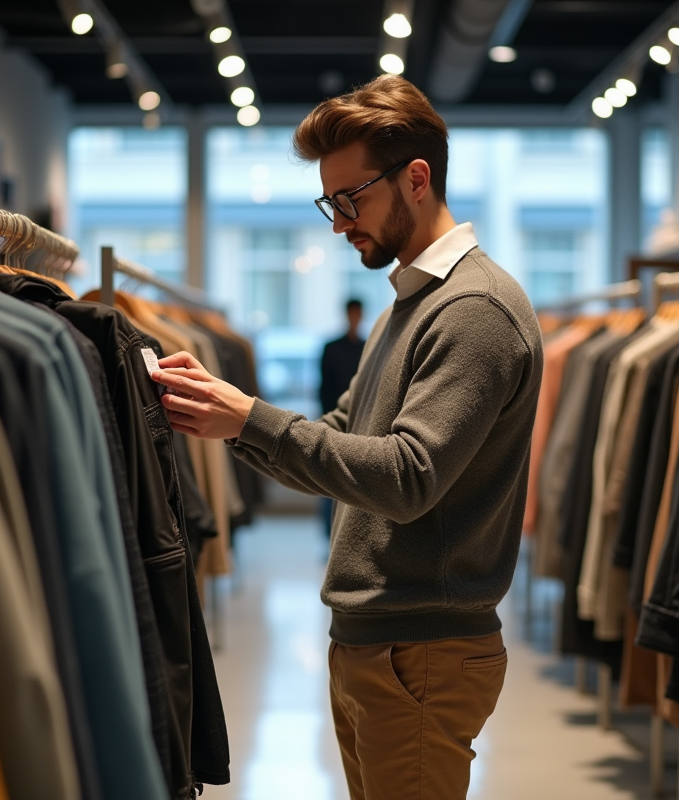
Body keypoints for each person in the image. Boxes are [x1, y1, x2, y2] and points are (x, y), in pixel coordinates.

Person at [150, 75, 543, 800]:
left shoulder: (475, 309)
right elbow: (342, 433)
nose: (338, 223)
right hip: (383, 642)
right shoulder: (414, 300)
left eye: (350, 199)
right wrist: (228, 419)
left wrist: (249, 419)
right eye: (330, 202)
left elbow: (406, 475)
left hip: (420, 648)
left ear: (416, 178)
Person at [317, 298, 366, 540]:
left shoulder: (368, 347)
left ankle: (350, 534)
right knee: (328, 479)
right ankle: (329, 534)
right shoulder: (332, 347)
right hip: (336, 420)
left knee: (354, 482)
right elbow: (324, 387)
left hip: (363, 424)